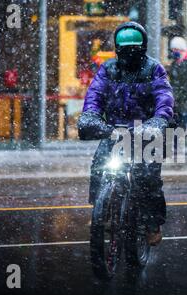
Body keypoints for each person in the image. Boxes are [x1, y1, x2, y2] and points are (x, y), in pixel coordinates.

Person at [78, 22, 174, 246]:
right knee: (99, 166)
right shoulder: (108, 69)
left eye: (134, 47)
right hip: (115, 131)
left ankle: (152, 224)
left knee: (147, 177)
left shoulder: (154, 69)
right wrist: (90, 116)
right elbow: (95, 95)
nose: (130, 52)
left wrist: (159, 120)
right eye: (125, 47)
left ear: (142, 47)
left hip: (146, 132)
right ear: (117, 48)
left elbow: (164, 97)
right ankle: (100, 212)